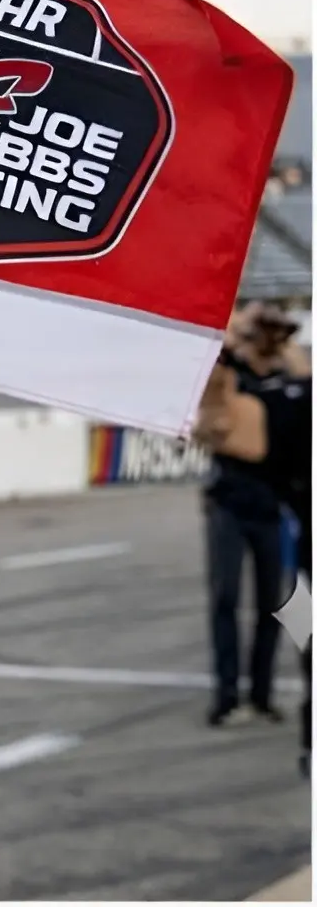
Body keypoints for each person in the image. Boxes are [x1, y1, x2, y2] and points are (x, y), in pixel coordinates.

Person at [195, 306, 312, 770]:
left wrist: (284, 342)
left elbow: (306, 379)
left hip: (276, 509)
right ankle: (227, 697)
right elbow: (209, 416)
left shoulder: (292, 383)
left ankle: (262, 695)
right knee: (226, 601)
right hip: (229, 502)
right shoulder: (230, 373)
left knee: (278, 606)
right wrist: (240, 331)